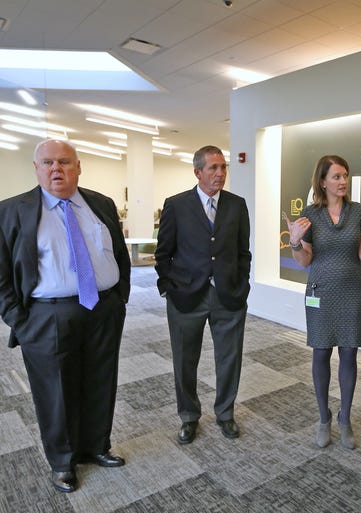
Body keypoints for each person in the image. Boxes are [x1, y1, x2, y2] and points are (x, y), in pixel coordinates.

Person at [0, 140, 130, 493]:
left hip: (102, 309)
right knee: (55, 391)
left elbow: (118, 254)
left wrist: (119, 299)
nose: (56, 169)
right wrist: (18, 319)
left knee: (100, 381)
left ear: (78, 166)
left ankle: (96, 447)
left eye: (64, 162)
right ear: (36, 168)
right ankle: (63, 461)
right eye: (48, 163)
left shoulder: (100, 204)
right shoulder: (12, 210)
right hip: (47, 316)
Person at [285, 155, 361, 449]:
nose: (343, 181)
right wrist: (295, 242)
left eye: (345, 175)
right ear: (322, 181)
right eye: (336, 176)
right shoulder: (310, 214)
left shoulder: (359, 211)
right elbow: (304, 261)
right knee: (320, 353)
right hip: (320, 291)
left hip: (351, 291)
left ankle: (344, 418)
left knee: (349, 353)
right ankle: (324, 419)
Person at [155, 145, 251, 445]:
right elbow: (163, 254)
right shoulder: (176, 204)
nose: (220, 173)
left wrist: (241, 284)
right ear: (198, 172)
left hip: (228, 296)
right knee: (185, 360)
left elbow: (242, 252)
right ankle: (188, 417)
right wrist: (168, 288)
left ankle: (225, 414)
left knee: (229, 359)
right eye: (213, 168)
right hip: (186, 297)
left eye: (224, 167)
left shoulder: (237, 205)